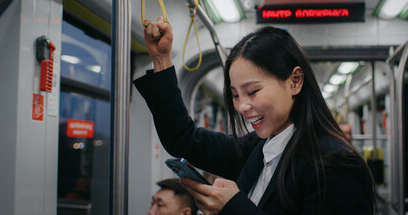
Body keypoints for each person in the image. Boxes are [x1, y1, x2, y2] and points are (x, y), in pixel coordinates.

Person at [135, 17, 375, 214]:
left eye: (252, 91)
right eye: (235, 95)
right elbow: (183, 138)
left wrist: (234, 208)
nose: (242, 106)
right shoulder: (257, 149)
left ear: (295, 81)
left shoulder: (336, 164)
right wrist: (161, 59)